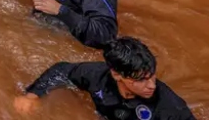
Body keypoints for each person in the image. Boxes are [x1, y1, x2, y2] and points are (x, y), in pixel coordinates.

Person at [15, 37, 195, 120]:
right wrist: (32, 95)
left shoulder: (171, 108)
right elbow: (62, 70)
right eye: (141, 80)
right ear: (117, 74)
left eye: (152, 76)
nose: (151, 86)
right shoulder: (96, 76)